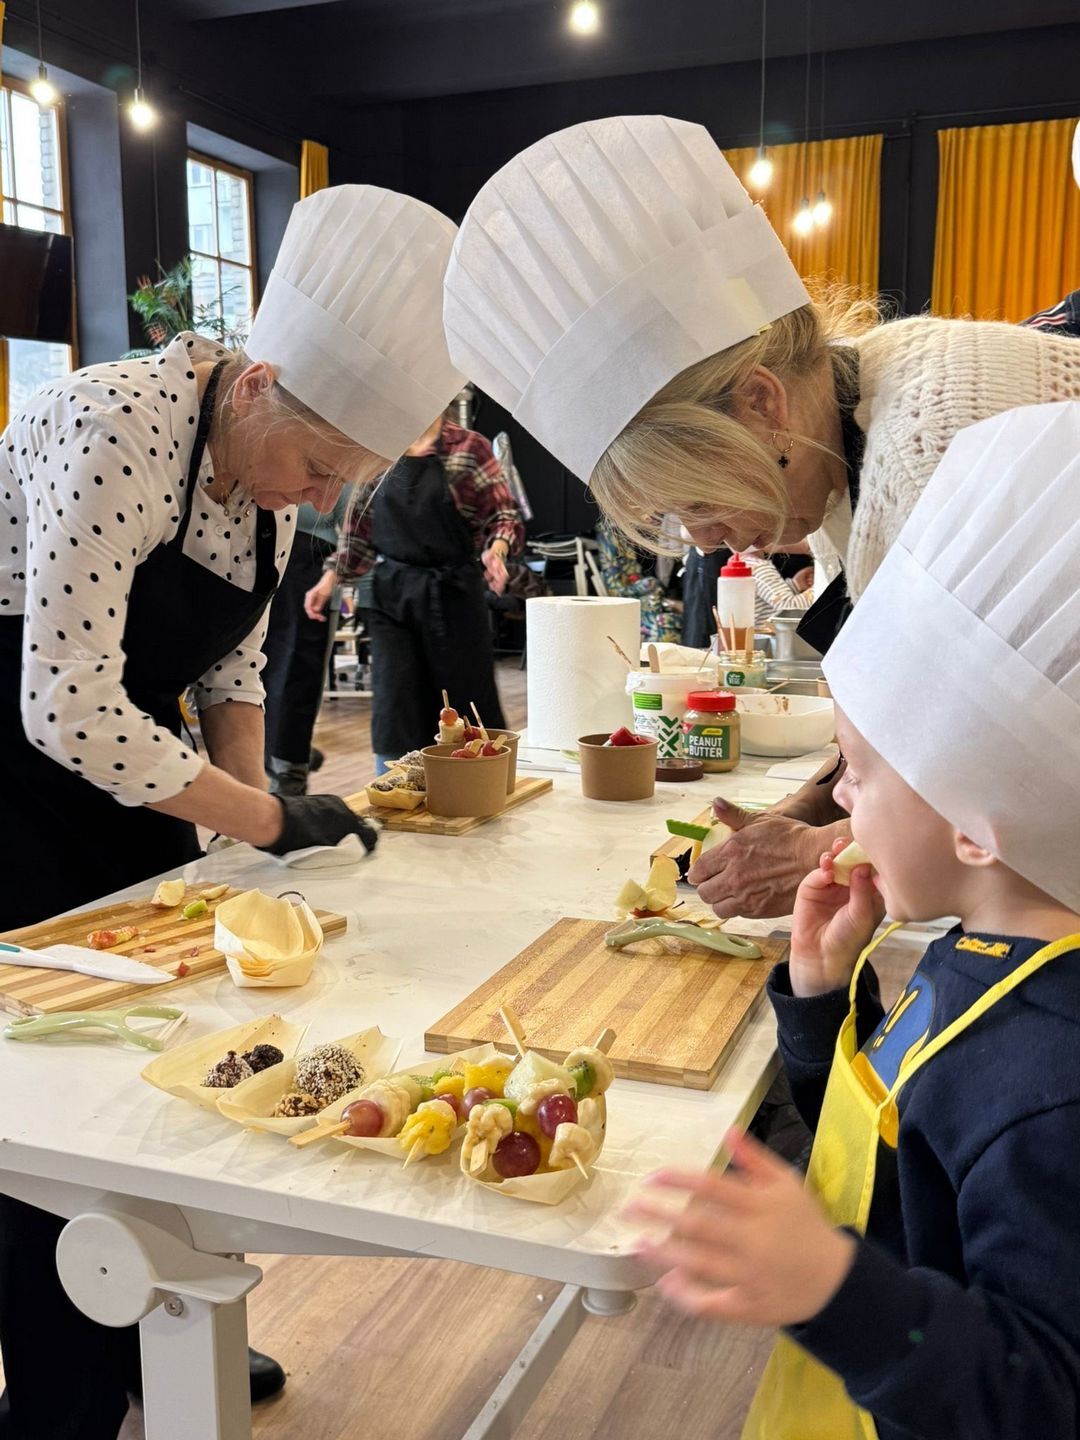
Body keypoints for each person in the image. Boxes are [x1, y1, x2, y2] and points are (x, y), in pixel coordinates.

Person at [0, 183, 464, 1440]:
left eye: (341, 483)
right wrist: (259, 824)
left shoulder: (261, 470)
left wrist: (252, 810)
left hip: (126, 748)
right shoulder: (117, 428)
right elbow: (65, 705)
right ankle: (61, 1388)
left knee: (161, 1029)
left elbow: (226, 667)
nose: (311, 500)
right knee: (43, 1069)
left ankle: (155, 1326)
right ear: (256, 382)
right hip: (16, 747)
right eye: (314, 466)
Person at [443, 113, 1080, 918]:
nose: (704, 543)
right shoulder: (849, 431)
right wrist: (802, 816)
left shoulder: (940, 430)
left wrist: (817, 853)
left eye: (699, 504)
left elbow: (999, 768)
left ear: (761, 403)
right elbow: (912, 730)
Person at [626, 403, 1080, 1440]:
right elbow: (890, 1153)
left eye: (859, 779)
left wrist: (836, 1291)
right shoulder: (975, 955)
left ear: (977, 827)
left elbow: (1041, 1397)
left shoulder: (1053, 1093)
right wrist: (822, 1004)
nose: (843, 805)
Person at [304, 409, 524, 767]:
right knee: (395, 707)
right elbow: (359, 529)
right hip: (393, 598)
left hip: (453, 597)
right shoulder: (379, 450)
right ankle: (393, 795)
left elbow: (503, 515)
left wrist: (496, 551)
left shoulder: (468, 448)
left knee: (467, 706)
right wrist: (329, 580)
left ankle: (479, 786)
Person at [262, 486, 353, 795]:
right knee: (249, 670)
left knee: (297, 672)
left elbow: (356, 527)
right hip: (258, 557)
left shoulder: (336, 465)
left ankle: (289, 772)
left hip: (311, 565)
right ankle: (268, 760)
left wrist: (332, 578)